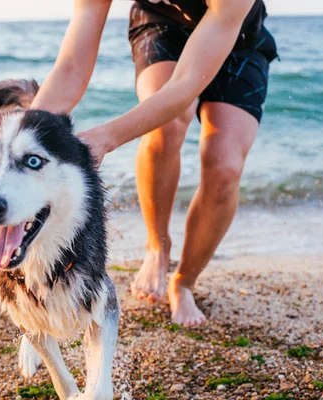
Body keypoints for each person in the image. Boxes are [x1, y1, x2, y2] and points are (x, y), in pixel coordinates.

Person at [31, 0, 278, 327]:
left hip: (240, 36)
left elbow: (185, 84)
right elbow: (72, 67)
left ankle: (184, 283)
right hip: (162, 26)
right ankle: (157, 247)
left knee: (225, 168)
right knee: (167, 126)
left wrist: (106, 137)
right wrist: (25, 134)